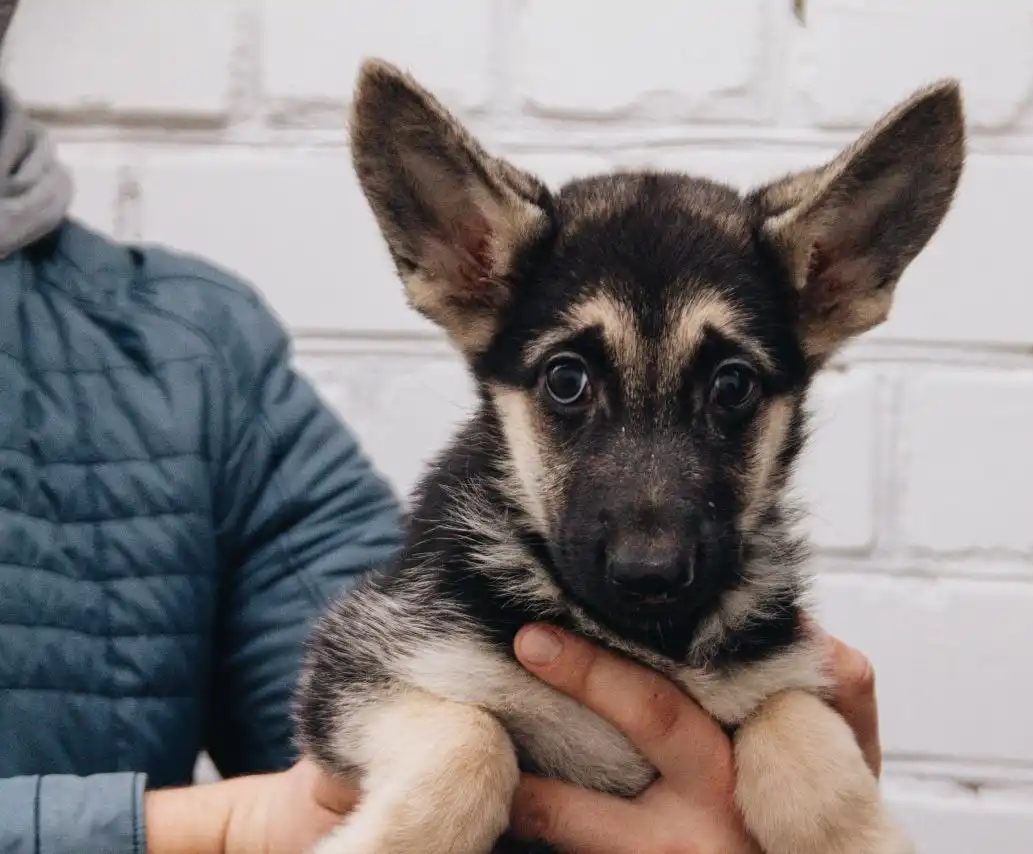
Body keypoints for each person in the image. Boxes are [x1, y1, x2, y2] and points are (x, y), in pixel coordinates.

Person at [0, 5, 886, 850]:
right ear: (469, 273)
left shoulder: (198, 354)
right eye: (569, 384)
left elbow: (333, 674)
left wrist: (813, 785)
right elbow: (361, 691)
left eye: (730, 389)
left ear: (830, 293)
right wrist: (248, 825)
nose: (651, 550)